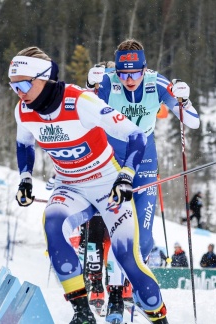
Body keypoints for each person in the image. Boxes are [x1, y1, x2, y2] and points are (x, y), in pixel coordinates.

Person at [9, 47, 168, 323]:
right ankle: (83, 314)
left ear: (44, 78)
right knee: (52, 225)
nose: (20, 92)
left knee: (126, 256)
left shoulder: (80, 101)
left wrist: (126, 175)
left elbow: (136, 136)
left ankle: (157, 315)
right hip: (70, 186)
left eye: (23, 84)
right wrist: (25, 178)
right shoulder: (23, 111)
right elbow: (24, 143)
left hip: (106, 184)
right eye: (13, 87)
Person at [86, 39, 200, 316]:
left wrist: (184, 101)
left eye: (134, 73)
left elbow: (193, 121)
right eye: (123, 74)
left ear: (144, 69)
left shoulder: (156, 83)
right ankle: (114, 294)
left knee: (145, 241)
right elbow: (82, 112)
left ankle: (129, 285)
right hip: (111, 160)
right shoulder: (108, 81)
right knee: (117, 231)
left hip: (145, 159)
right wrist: (89, 88)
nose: (129, 80)